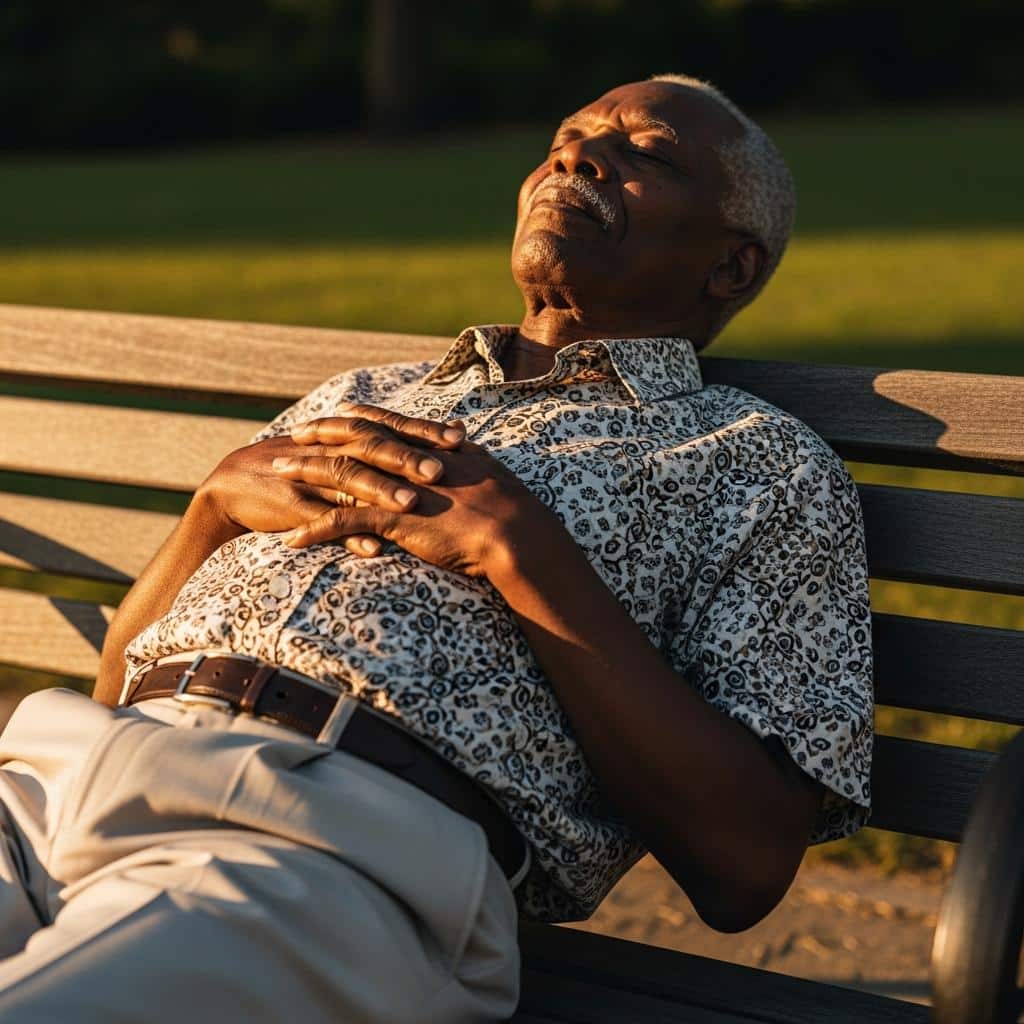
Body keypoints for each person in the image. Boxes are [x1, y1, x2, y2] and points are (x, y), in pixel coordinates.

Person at [0, 74, 872, 1022]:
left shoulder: (759, 464)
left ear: (730, 268)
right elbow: (115, 679)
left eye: (644, 155)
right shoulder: (367, 388)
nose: (575, 158)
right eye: (565, 138)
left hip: (321, 843)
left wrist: (516, 551)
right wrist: (210, 510)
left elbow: (744, 866)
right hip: (55, 779)